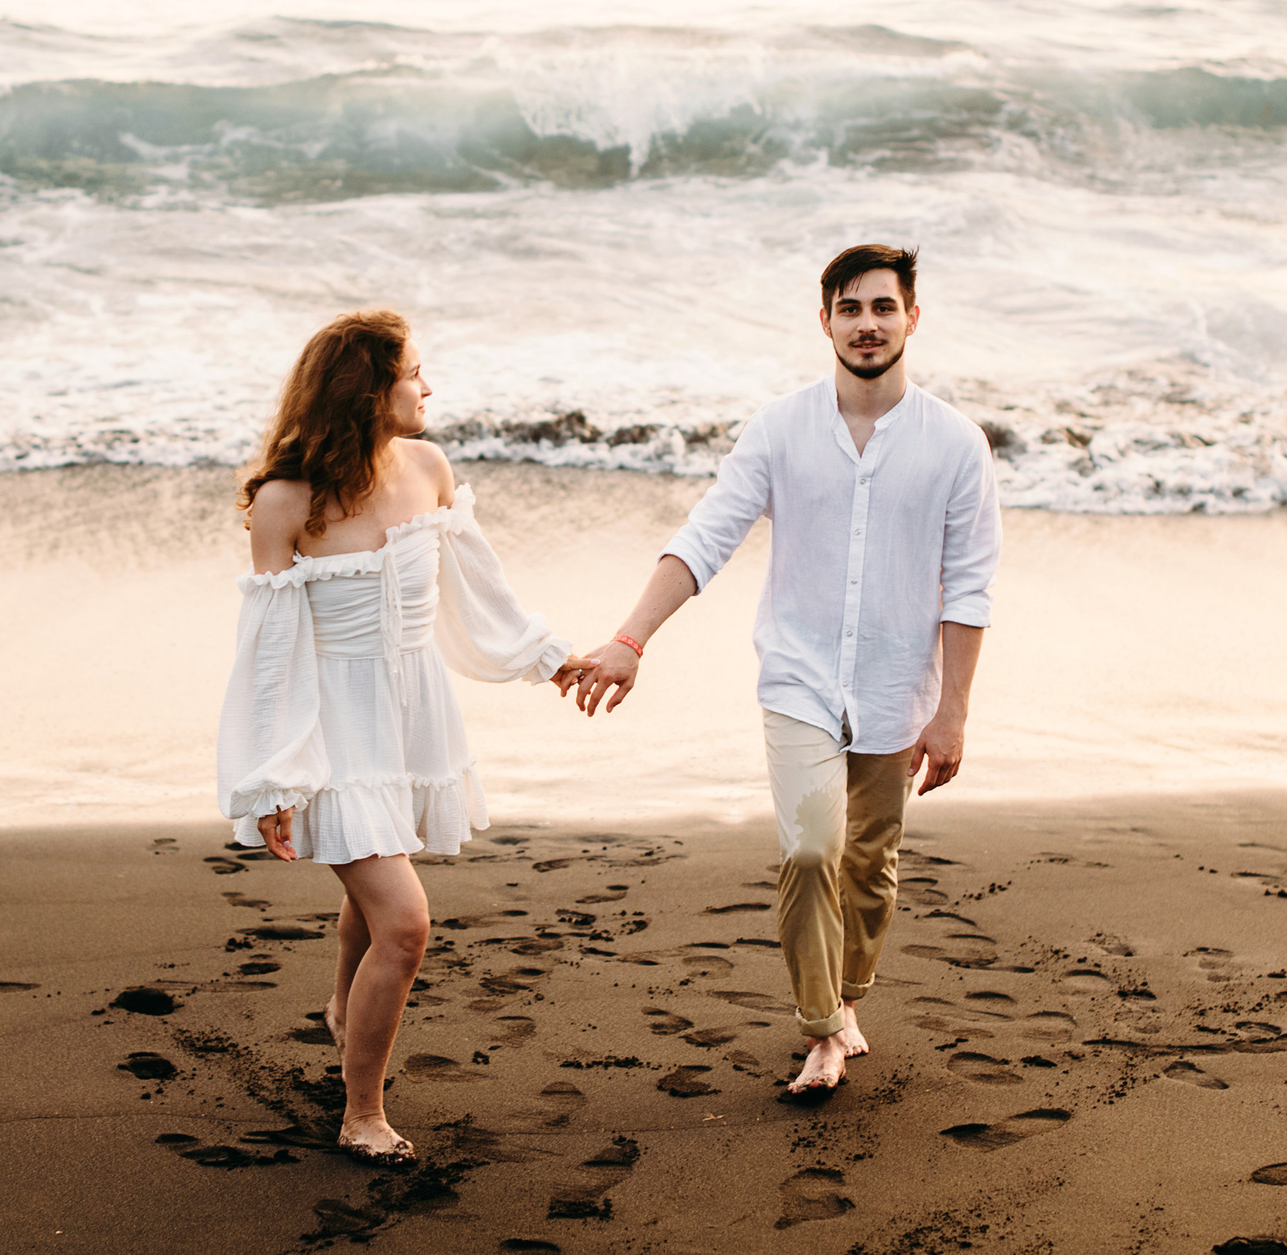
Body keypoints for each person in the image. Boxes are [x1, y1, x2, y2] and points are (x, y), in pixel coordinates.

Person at [568, 244, 1002, 1099]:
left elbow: (972, 585)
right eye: (850, 307)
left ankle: (845, 996)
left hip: (895, 687)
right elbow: (705, 537)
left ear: (912, 317)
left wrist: (952, 712)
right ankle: (822, 1030)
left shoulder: (956, 444)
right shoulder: (780, 427)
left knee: (870, 868)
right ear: (826, 320)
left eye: (883, 306)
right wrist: (631, 638)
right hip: (799, 678)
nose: (867, 323)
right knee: (811, 850)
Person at [218, 307, 586, 1167]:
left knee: (376, 889)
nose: (428, 386)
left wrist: (550, 658)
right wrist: (275, 774)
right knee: (407, 924)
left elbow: (476, 588)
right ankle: (362, 1112)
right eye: (414, 371)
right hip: (332, 735)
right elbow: (271, 655)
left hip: (411, 718)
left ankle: (344, 1009)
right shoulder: (286, 502)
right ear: (366, 389)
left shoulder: (429, 468)